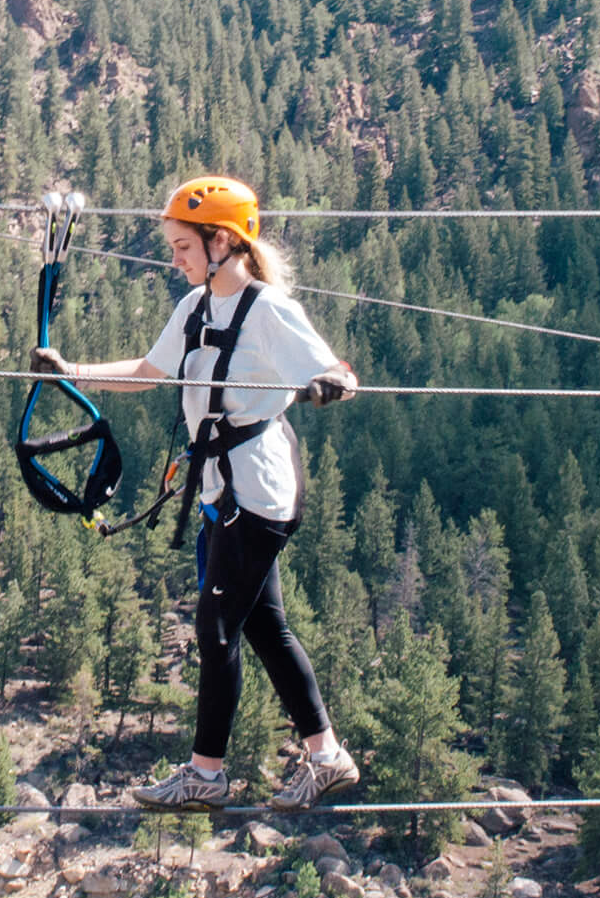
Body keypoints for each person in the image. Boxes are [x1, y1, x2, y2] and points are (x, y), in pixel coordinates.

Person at [29, 175, 362, 810]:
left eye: (183, 246)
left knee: (215, 628)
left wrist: (328, 386)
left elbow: (338, 372)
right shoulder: (195, 309)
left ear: (222, 242)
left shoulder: (268, 310)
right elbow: (149, 374)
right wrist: (73, 371)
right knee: (263, 625)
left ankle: (206, 774)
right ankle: (325, 755)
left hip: (257, 492)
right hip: (225, 490)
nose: (174, 259)